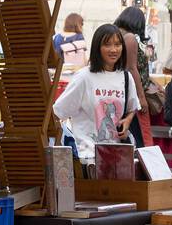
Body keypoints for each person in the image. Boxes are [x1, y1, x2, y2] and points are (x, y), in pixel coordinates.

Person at [52, 23, 141, 170]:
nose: (113, 49)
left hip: (117, 156)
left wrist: (128, 120)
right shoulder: (84, 77)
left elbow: (133, 106)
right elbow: (58, 111)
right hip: (88, 157)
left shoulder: (126, 77)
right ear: (97, 47)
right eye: (107, 44)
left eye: (118, 44)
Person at [113, 6, 153, 146]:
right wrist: (141, 98)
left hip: (123, 94)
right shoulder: (129, 38)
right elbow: (131, 68)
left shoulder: (117, 34)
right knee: (140, 138)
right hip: (131, 96)